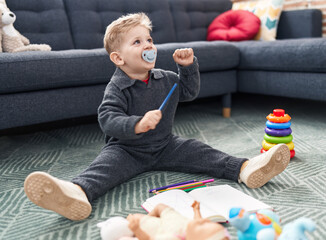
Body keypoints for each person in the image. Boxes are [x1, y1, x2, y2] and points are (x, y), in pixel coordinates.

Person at [24, 13, 290, 221]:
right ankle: (75, 194)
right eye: (137, 42)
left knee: (203, 152)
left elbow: (188, 92)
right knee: (101, 171)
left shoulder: (166, 78)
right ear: (118, 58)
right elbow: (107, 118)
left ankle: (246, 169)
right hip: (126, 149)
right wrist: (137, 124)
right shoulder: (117, 87)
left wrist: (187, 67)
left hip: (165, 145)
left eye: (149, 39)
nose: (148, 45)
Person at [98, 201, 230, 240]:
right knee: (161, 206)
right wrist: (196, 210)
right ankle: (150, 215)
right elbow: (197, 221)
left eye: (202, 226)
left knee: (135, 219)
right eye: (207, 222)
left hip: (157, 230)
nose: (202, 221)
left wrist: (136, 229)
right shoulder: (194, 225)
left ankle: (110, 227)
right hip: (175, 221)